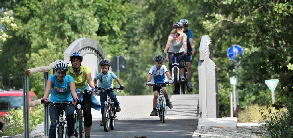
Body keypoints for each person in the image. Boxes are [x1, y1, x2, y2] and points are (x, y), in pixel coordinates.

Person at [67, 52, 101, 138]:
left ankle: (87, 135)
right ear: (71, 62)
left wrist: (93, 88)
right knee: (69, 112)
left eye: (77, 60)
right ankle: (70, 132)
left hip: (84, 91)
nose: (76, 62)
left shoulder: (85, 69)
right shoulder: (68, 70)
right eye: (74, 60)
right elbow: (65, 81)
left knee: (87, 113)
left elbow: (89, 80)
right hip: (72, 92)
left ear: (80, 61)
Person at [42, 60, 78, 138]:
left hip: (67, 101)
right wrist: (45, 98)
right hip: (55, 102)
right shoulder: (51, 78)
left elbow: (73, 91)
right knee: (53, 123)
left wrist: (75, 99)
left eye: (62, 73)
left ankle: (71, 134)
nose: (60, 75)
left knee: (70, 114)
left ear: (65, 73)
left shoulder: (69, 79)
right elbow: (47, 90)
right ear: (55, 72)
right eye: (58, 73)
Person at [93, 59, 124, 126]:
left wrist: (121, 85)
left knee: (113, 98)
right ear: (101, 68)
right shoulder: (100, 75)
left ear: (108, 68)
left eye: (106, 68)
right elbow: (95, 79)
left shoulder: (111, 73)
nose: (104, 69)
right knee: (103, 105)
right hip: (103, 90)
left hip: (110, 89)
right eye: (103, 68)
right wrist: (95, 86)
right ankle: (103, 119)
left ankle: (117, 106)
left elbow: (117, 79)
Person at [180, 19, 196, 92]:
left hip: (188, 51)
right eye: (183, 26)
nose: (184, 27)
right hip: (179, 51)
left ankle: (189, 82)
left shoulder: (189, 32)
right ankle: (176, 78)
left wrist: (193, 48)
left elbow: (191, 40)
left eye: (186, 26)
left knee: (188, 65)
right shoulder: (177, 31)